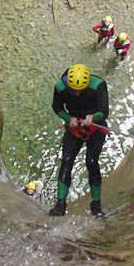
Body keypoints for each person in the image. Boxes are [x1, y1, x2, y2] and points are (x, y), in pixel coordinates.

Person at [49, 64, 108, 217]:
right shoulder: (61, 86)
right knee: (67, 159)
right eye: (74, 89)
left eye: (80, 90)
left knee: (92, 161)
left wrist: (94, 117)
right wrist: (69, 118)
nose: (76, 93)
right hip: (74, 126)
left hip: (95, 126)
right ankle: (60, 203)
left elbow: (104, 111)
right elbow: (57, 106)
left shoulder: (98, 85)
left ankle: (96, 203)